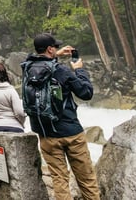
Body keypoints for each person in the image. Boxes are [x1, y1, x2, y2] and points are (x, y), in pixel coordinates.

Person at [24, 33, 100, 200]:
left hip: (46, 134)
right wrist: (79, 69)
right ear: (50, 49)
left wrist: (55, 55)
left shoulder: (28, 69)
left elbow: (33, 60)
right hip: (71, 133)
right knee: (86, 179)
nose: (57, 49)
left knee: (60, 180)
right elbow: (86, 93)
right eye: (55, 47)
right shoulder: (62, 71)